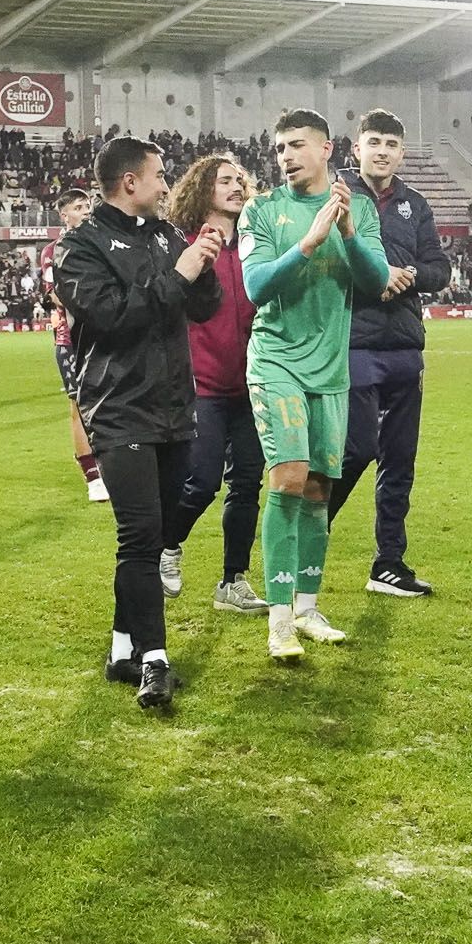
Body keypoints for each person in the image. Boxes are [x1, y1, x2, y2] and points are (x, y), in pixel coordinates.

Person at [55, 137, 224, 708]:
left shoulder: (163, 234)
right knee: (140, 537)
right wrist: (179, 275)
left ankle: (122, 648)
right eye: (158, 175)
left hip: (175, 407)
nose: (165, 184)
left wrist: (203, 262)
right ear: (130, 181)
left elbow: (203, 308)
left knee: (152, 537)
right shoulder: (79, 248)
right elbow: (110, 318)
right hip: (120, 409)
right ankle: (154, 660)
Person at [240, 109, 390, 660]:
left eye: (296, 145)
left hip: (330, 369)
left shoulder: (361, 210)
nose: (285, 156)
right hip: (277, 359)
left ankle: (306, 608)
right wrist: (308, 242)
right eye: (280, 147)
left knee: (321, 487)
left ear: (327, 149)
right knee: (289, 479)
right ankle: (279, 620)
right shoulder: (262, 210)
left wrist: (347, 231)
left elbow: (375, 283)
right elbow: (256, 286)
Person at [326, 110, 451, 597]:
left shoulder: (414, 204)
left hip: (404, 345)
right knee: (357, 449)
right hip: (353, 342)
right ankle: (309, 533)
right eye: (374, 141)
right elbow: (325, 260)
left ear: (402, 153)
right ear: (356, 148)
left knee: (399, 459)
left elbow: (438, 269)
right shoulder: (335, 194)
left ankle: (389, 564)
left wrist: (409, 274)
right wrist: (376, 274)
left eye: (392, 144)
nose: (382, 151)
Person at [160, 154, 269, 614]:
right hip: (202, 384)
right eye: (225, 180)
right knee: (201, 482)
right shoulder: (183, 246)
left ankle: (233, 581)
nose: (236, 187)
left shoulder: (255, 246)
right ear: (202, 190)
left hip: (253, 384)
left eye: (240, 180)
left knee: (247, 484)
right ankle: (167, 544)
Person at [41, 189, 110, 502]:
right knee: (78, 407)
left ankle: (109, 467)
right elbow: (56, 293)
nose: (85, 211)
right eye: (77, 207)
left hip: (105, 338)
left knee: (109, 405)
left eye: (87, 206)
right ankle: (91, 476)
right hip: (71, 340)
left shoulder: (101, 242)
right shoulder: (53, 251)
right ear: (64, 215)